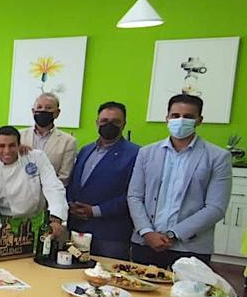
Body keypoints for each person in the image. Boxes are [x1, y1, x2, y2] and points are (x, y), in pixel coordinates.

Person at [127, 94, 232, 268]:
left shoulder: (217, 157)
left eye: (188, 117)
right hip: (145, 242)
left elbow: (216, 208)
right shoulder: (147, 153)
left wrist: (173, 235)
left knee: (187, 294)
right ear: (167, 118)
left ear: (199, 120)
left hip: (191, 247)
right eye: (175, 116)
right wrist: (146, 232)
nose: (181, 121)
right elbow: (134, 196)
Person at [67, 102, 140, 258]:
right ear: (97, 123)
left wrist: (94, 211)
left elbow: (134, 195)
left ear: (124, 124)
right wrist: (71, 204)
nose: (109, 125)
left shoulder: (136, 154)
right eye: (104, 121)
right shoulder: (86, 150)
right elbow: (72, 181)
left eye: (116, 122)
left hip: (110, 235)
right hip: (77, 230)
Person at [0, 126, 68, 240]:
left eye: (12, 145)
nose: (7, 151)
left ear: (19, 145)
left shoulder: (36, 157)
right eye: (2, 146)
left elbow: (53, 187)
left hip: (37, 223)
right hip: (6, 226)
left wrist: (56, 217)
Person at [19, 93, 77, 185]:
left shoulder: (68, 141)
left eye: (48, 108)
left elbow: (64, 177)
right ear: (33, 111)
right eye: (39, 107)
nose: (43, 110)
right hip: (19, 192)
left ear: (57, 113)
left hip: (50, 195)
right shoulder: (19, 136)